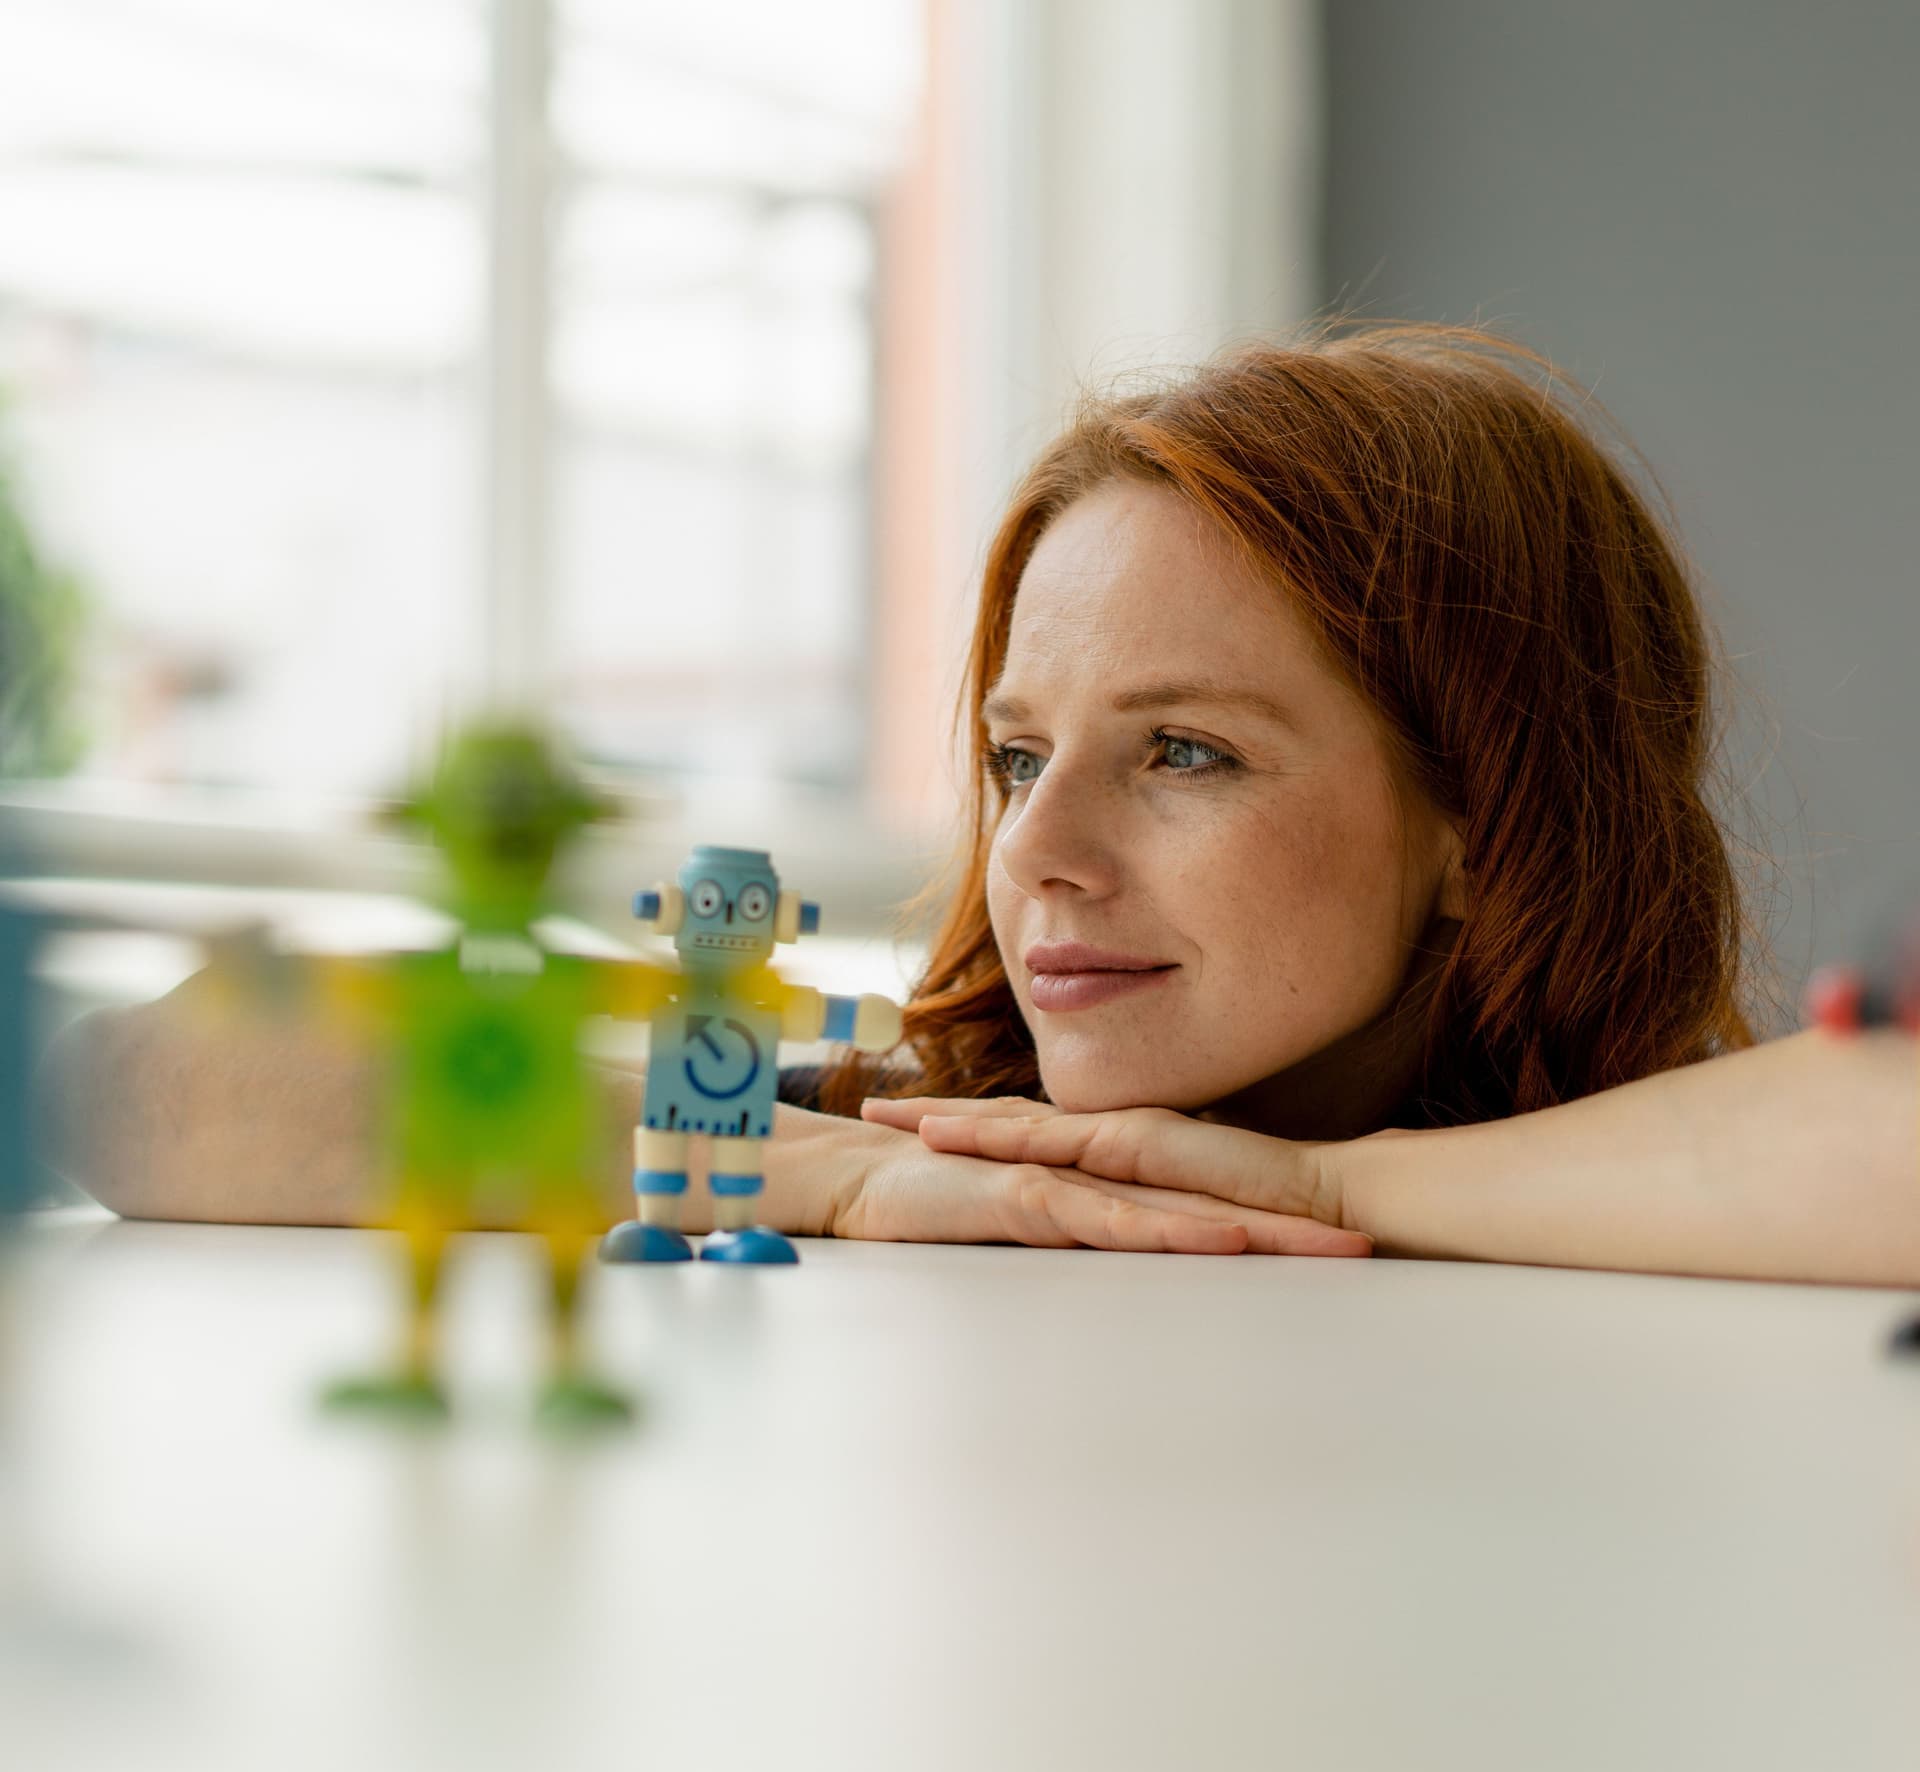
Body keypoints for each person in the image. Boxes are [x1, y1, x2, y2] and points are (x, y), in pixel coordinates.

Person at [34, 322, 1920, 1280]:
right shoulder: (928, 1103)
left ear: (1481, 822)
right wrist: (844, 1175)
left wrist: (1332, 1187)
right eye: (1021, 756)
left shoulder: (1708, 1175)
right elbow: (137, 1081)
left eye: (1186, 752)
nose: (1035, 853)